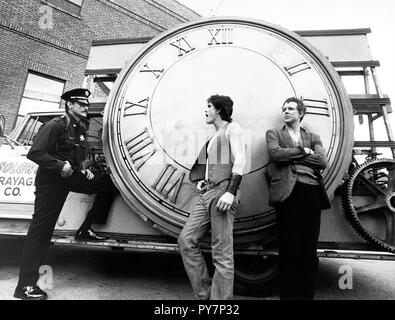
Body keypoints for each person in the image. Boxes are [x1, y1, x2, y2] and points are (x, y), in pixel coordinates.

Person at [14, 88, 117, 300]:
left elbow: (72, 155)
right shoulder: (55, 125)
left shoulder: (79, 127)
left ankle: (86, 229)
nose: (86, 107)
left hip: (69, 177)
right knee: (41, 232)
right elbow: (35, 153)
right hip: (51, 183)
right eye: (81, 104)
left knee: (107, 182)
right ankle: (24, 286)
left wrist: (82, 169)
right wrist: (60, 166)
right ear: (69, 104)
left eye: (87, 104)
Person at [178, 94, 245, 300]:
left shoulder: (233, 129)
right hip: (208, 192)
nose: (205, 110)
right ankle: (205, 295)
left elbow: (240, 160)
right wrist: (202, 180)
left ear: (219, 109)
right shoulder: (213, 137)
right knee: (186, 240)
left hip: (223, 192)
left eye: (209, 106)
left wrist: (230, 192)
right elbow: (207, 166)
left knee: (221, 253)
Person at [265, 97, 329, 300]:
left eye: (291, 108)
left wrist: (292, 154)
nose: (286, 111)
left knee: (309, 250)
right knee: (288, 249)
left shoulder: (313, 136)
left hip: (312, 194)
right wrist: (302, 151)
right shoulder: (274, 133)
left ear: (301, 113)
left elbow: (321, 161)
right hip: (287, 194)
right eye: (284, 108)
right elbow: (275, 154)